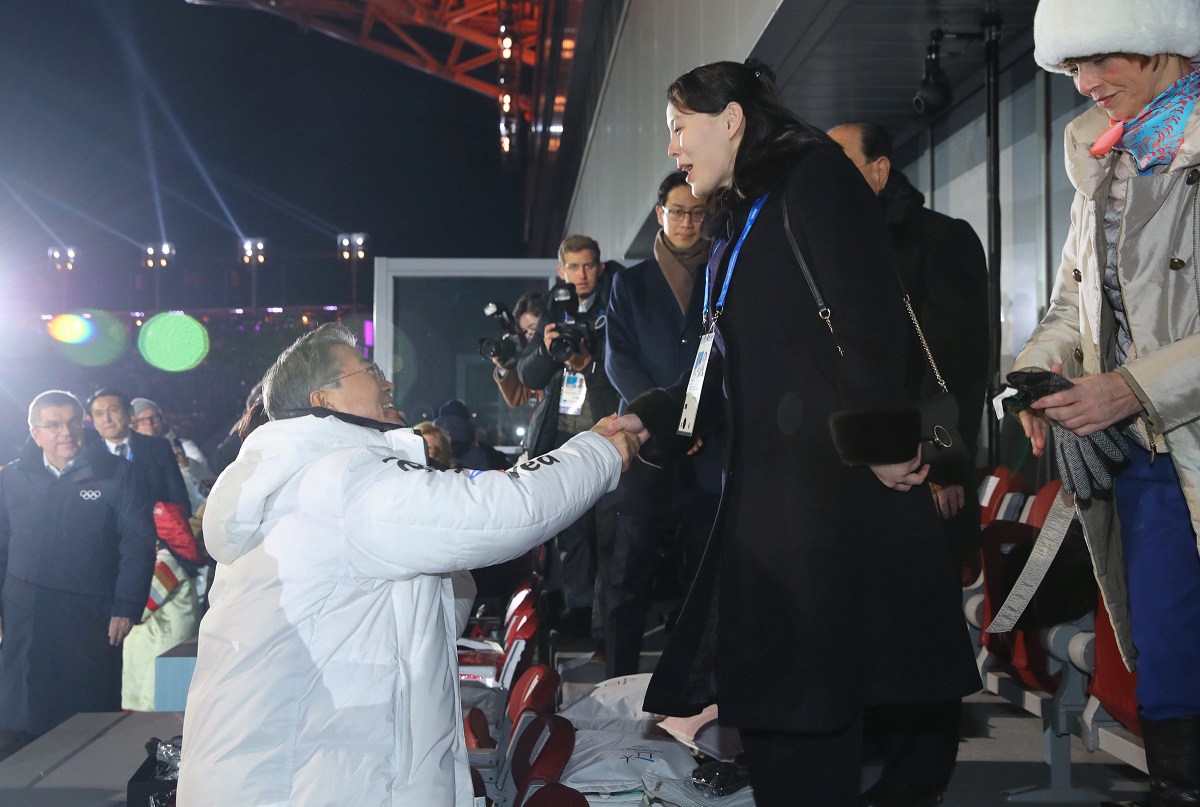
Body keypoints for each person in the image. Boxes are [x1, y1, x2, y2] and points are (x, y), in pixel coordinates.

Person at [605, 60, 978, 806]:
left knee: (804, 705)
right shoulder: (745, 211)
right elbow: (727, 359)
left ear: (733, 119)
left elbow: (869, 318)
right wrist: (653, 414)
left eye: (681, 127)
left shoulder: (815, 179)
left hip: (822, 498)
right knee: (779, 706)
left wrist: (879, 444)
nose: (673, 146)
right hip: (768, 502)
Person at [177, 323, 639, 806]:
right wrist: (597, 452)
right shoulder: (339, 478)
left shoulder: (308, 480)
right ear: (324, 400)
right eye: (370, 370)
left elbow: (431, 612)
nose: (388, 383)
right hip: (303, 782)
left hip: (303, 772)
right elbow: (506, 511)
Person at [1014, 3, 1200, 804]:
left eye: (1102, 59)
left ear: (1163, 42)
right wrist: (1034, 375)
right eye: (1071, 69)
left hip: (1163, 426)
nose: (1086, 84)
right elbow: (1069, 305)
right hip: (1145, 457)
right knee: (1165, 647)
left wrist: (1128, 388)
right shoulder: (1100, 157)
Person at [829, 120, 989, 807]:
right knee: (877, 629)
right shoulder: (837, 245)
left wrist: (948, 467)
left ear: (878, 169)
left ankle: (920, 776)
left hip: (925, 472)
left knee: (925, 635)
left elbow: (959, 365)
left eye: (839, 161)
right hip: (863, 472)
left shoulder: (941, 239)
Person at [602, 170, 722, 678]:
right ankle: (617, 681)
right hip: (648, 447)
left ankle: (696, 689)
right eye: (678, 212)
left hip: (705, 447)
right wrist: (666, 421)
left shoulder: (721, 272)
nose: (688, 222)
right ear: (660, 215)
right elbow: (618, 361)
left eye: (697, 212)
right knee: (629, 578)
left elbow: (716, 356)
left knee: (704, 579)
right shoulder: (630, 283)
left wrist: (691, 423)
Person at [0, 391, 157, 742]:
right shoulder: (10, 479)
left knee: (88, 722)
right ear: (35, 431)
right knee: (20, 722)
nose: (65, 432)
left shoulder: (117, 475)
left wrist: (126, 606)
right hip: (26, 614)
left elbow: (138, 544)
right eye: (53, 425)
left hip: (91, 614)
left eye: (73, 423)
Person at [517, 234, 622, 639]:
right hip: (562, 437)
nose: (581, 275)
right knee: (572, 532)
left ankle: (607, 621)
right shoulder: (552, 310)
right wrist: (546, 349)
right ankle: (579, 613)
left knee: (609, 533)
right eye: (573, 267)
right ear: (561, 270)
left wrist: (590, 360)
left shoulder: (616, 302)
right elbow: (527, 376)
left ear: (600, 266)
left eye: (589, 265)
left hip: (608, 430)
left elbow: (622, 370)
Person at [87, 388, 192, 518]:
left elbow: (178, 497)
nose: (106, 419)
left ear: (129, 414)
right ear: (94, 422)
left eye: (113, 410)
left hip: (161, 533)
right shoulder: (87, 458)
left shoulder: (159, 447)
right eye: (99, 414)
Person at [129, 397, 215, 514]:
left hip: (207, 511)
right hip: (174, 522)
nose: (149, 423)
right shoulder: (132, 460)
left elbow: (208, 476)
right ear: (134, 425)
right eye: (142, 419)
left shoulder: (185, 445)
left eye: (154, 417)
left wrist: (186, 463)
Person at [492, 291, 544, 408]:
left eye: (534, 329)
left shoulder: (562, 352)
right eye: (524, 331)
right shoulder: (529, 360)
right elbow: (517, 398)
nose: (530, 336)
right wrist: (503, 367)